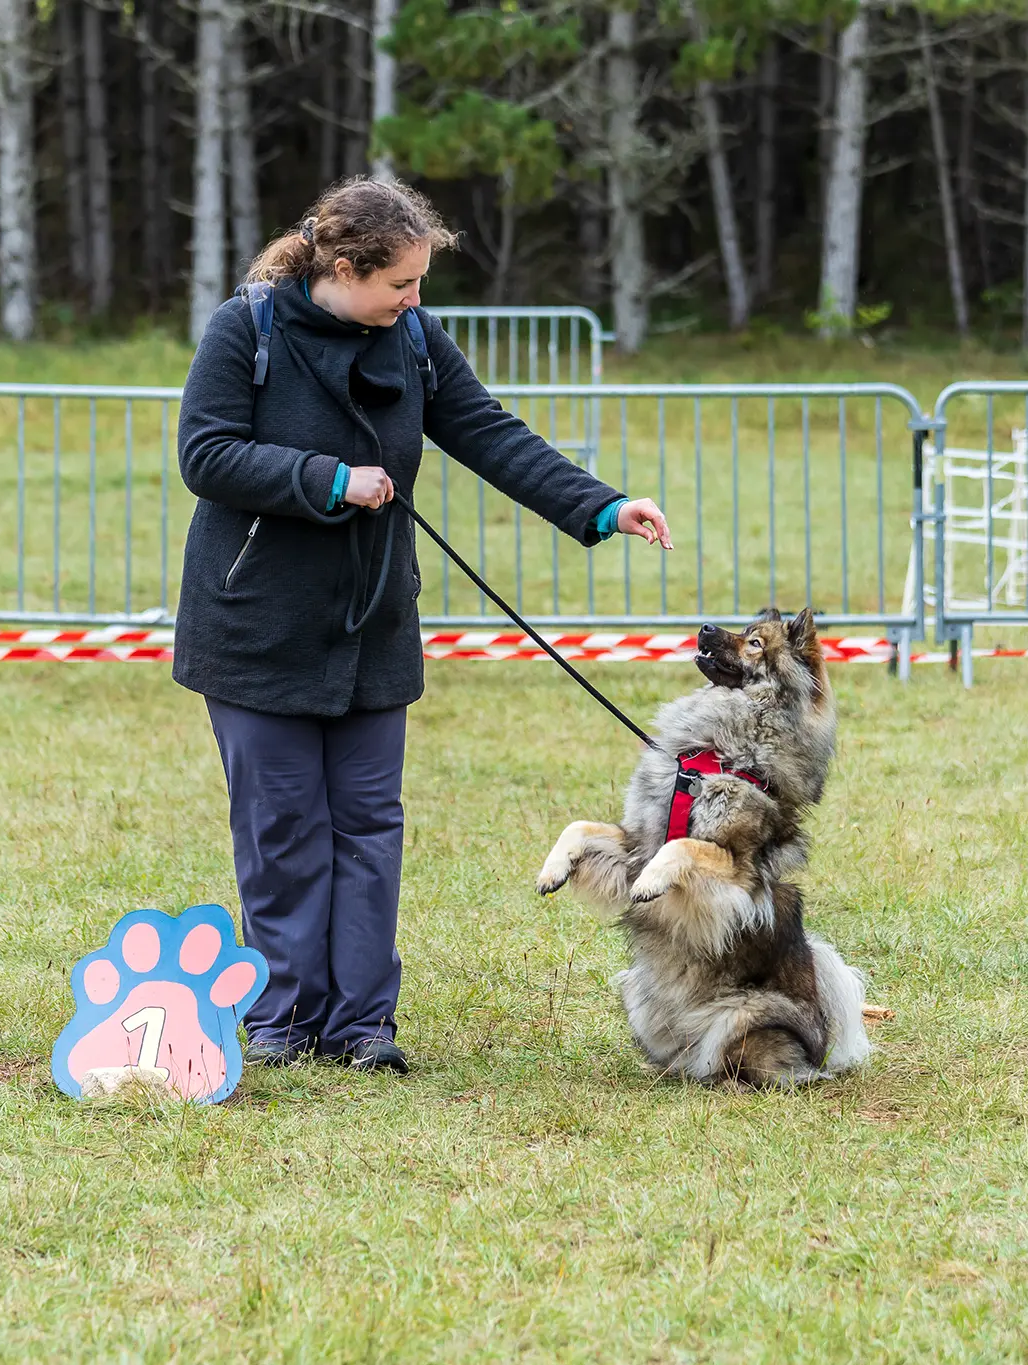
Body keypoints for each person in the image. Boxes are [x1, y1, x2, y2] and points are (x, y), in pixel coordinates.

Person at [174, 177, 671, 1074]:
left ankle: (365, 1027)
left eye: (419, 285)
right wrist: (328, 479)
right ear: (344, 268)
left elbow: (487, 430)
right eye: (400, 283)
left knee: (369, 826)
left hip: (372, 625)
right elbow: (206, 454)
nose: (415, 301)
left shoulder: (414, 338)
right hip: (255, 624)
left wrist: (601, 507)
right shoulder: (244, 330)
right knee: (282, 828)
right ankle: (280, 1022)